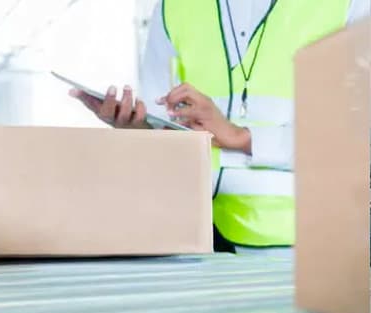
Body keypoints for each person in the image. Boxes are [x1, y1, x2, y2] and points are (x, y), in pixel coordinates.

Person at [70, 0, 370, 254]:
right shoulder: (175, 6)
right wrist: (136, 130)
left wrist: (242, 137)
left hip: (311, 251)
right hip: (201, 243)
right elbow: (167, 126)